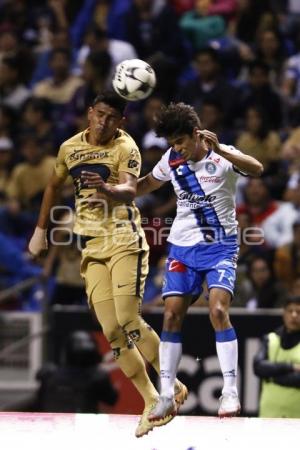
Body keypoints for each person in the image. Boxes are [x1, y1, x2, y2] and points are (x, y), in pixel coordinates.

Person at [83, 101, 263, 422]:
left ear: (196, 134)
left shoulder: (221, 156)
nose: (176, 148)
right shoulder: (173, 158)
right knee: (170, 317)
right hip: (181, 248)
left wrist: (223, 150)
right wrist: (110, 191)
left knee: (218, 310)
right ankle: (166, 393)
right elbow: (147, 184)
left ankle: (230, 390)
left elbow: (257, 168)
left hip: (219, 247)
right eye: (172, 143)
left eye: (180, 141)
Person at [28, 91, 187, 438]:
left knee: (129, 319)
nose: (104, 122)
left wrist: (107, 187)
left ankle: (172, 386)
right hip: (92, 246)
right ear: (89, 113)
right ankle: (150, 401)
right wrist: (41, 231)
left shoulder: (125, 147)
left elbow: (132, 190)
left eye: (112, 118)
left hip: (123, 239)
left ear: (122, 122)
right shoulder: (69, 148)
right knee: (113, 332)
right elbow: (53, 187)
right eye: (99, 114)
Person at [253, 296, 300, 418]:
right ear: (284, 313)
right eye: (290, 311)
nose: (294, 315)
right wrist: (291, 367)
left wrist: (272, 377)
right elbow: (258, 367)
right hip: (268, 415)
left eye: (299, 312)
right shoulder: (270, 339)